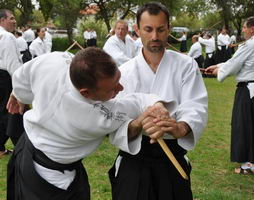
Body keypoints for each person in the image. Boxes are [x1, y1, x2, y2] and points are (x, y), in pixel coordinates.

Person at [6, 47, 172, 200]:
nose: (121, 89)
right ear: (86, 93)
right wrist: (156, 105)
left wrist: (18, 94)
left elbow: (21, 76)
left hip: (26, 147)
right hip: (50, 179)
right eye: (113, 89)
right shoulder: (95, 117)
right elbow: (136, 103)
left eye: (118, 80)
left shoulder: (54, 60)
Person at [108, 2, 208, 200]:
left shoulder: (186, 65)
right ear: (137, 30)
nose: (155, 37)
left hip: (172, 156)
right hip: (134, 158)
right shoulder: (124, 72)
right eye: (148, 29)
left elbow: (195, 105)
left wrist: (180, 128)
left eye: (161, 29)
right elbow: (114, 118)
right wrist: (138, 123)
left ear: (168, 29)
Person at [205, 16, 254, 174]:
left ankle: (250, 165)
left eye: (244, 27)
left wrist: (220, 71)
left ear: (252, 28)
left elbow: (234, 64)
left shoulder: (251, 44)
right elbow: (239, 61)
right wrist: (218, 66)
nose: (243, 30)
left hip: (251, 90)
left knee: (247, 125)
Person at [0, 9, 23, 158]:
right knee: (12, 111)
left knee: (2, 111)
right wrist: (20, 84)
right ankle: (22, 148)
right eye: (12, 18)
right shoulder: (7, 37)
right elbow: (12, 64)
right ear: (2, 20)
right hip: (5, 77)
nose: (15, 21)